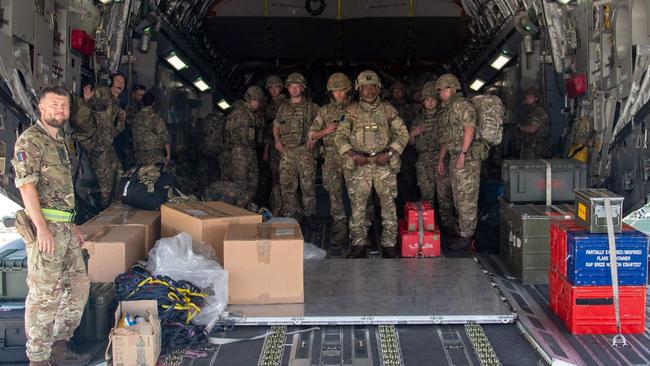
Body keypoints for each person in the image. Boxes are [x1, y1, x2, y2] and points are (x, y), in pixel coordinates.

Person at [12, 86, 90, 366]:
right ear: (41, 108)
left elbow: (63, 190)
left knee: (79, 287)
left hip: (65, 228)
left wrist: (73, 225)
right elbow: (26, 186)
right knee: (45, 296)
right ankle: (39, 358)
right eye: (55, 105)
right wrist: (41, 227)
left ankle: (59, 344)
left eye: (65, 106)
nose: (61, 111)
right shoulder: (30, 141)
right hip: (46, 230)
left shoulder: (59, 142)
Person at [335, 70, 409, 258]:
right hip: (360, 164)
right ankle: (359, 243)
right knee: (358, 206)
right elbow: (340, 136)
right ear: (359, 89)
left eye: (373, 86)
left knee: (388, 206)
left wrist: (390, 152)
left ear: (378, 88)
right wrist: (352, 154)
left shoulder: (388, 110)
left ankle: (389, 244)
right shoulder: (350, 111)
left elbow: (403, 134)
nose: (369, 91)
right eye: (365, 87)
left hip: (383, 164)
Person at [308, 72, 353, 247]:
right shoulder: (324, 111)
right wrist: (325, 131)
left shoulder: (356, 109)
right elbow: (311, 134)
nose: (339, 94)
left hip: (352, 157)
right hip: (332, 159)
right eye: (335, 91)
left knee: (359, 195)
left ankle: (362, 229)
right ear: (330, 92)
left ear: (348, 90)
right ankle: (341, 229)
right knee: (334, 196)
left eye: (342, 90)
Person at [436, 74, 480, 251]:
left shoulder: (462, 105)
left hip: (467, 159)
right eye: (440, 90)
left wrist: (462, 153)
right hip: (455, 157)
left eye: (445, 89)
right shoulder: (448, 109)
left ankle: (467, 237)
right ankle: (463, 231)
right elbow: (448, 138)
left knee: (466, 198)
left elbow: (469, 128)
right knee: (458, 197)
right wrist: (441, 159)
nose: (442, 93)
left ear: (454, 89)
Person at [74, 73, 127, 208]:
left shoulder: (117, 104)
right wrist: (86, 99)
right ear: (110, 82)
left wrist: (121, 119)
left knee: (119, 172)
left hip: (107, 145)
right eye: (118, 81)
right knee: (105, 180)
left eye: (123, 82)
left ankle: (116, 204)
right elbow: (85, 107)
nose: (120, 84)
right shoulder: (102, 93)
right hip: (96, 143)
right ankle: (104, 209)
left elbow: (116, 131)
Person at [273, 72, 319, 222]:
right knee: (287, 185)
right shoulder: (283, 107)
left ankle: (309, 215)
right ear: (288, 88)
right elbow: (276, 126)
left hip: (304, 151)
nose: (294, 90)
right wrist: (277, 141)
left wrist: (314, 139)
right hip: (287, 152)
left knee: (307, 186)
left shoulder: (311, 107)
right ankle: (289, 216)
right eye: (291, 86)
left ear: (302, 88)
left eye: (297, 87)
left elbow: (321, 125)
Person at [226, 85, 265, 196]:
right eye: (254, 100)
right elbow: (229, 133)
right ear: (248, 99)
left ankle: (248, 208)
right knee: (240, 183)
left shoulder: (256, 114)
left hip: (251, 150)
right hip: (240, 151)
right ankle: (240, 210)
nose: (256, 103)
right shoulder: (238, 113)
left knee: (253, 182)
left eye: (258, 100)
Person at [263, 75, 287, 214]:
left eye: (276, 87)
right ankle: (277, 207)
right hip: (273, 146)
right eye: (271, 88)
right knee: (275, 178)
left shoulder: (285, 103)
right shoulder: (269, 105)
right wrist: (266, 150)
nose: (273, 91)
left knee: (284, 177)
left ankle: (284, 208)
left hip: (283, 145)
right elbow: (267, 130)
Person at [131, 92, 171, 166]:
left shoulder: (136, 117)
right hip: (154, 155)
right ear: (153, 103)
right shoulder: (154, 117)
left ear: (142, 102)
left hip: (138, 155)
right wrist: (168, 154)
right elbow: (164, 136)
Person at [518, 87, 550, 159]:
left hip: (536, 150)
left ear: (536, 98)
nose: (527, 99)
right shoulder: (529, 111)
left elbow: (532, 130)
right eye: (526, 97)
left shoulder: (539, 111)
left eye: (530, 97)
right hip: (529, 147)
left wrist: (520, 128)